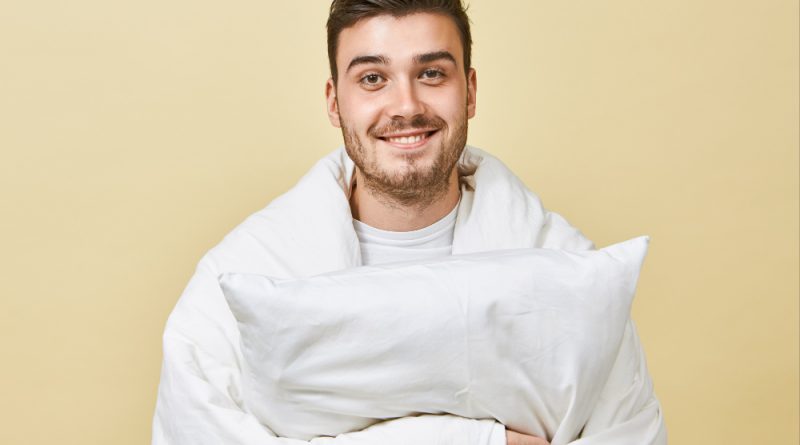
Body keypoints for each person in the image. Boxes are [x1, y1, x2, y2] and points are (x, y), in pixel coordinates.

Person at [152, 1, 667, 444]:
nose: (406, 106)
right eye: (373, 78)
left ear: (469, 90)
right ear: (335, 102)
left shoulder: (571, 273)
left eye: (432, 73)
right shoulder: (238, 277)